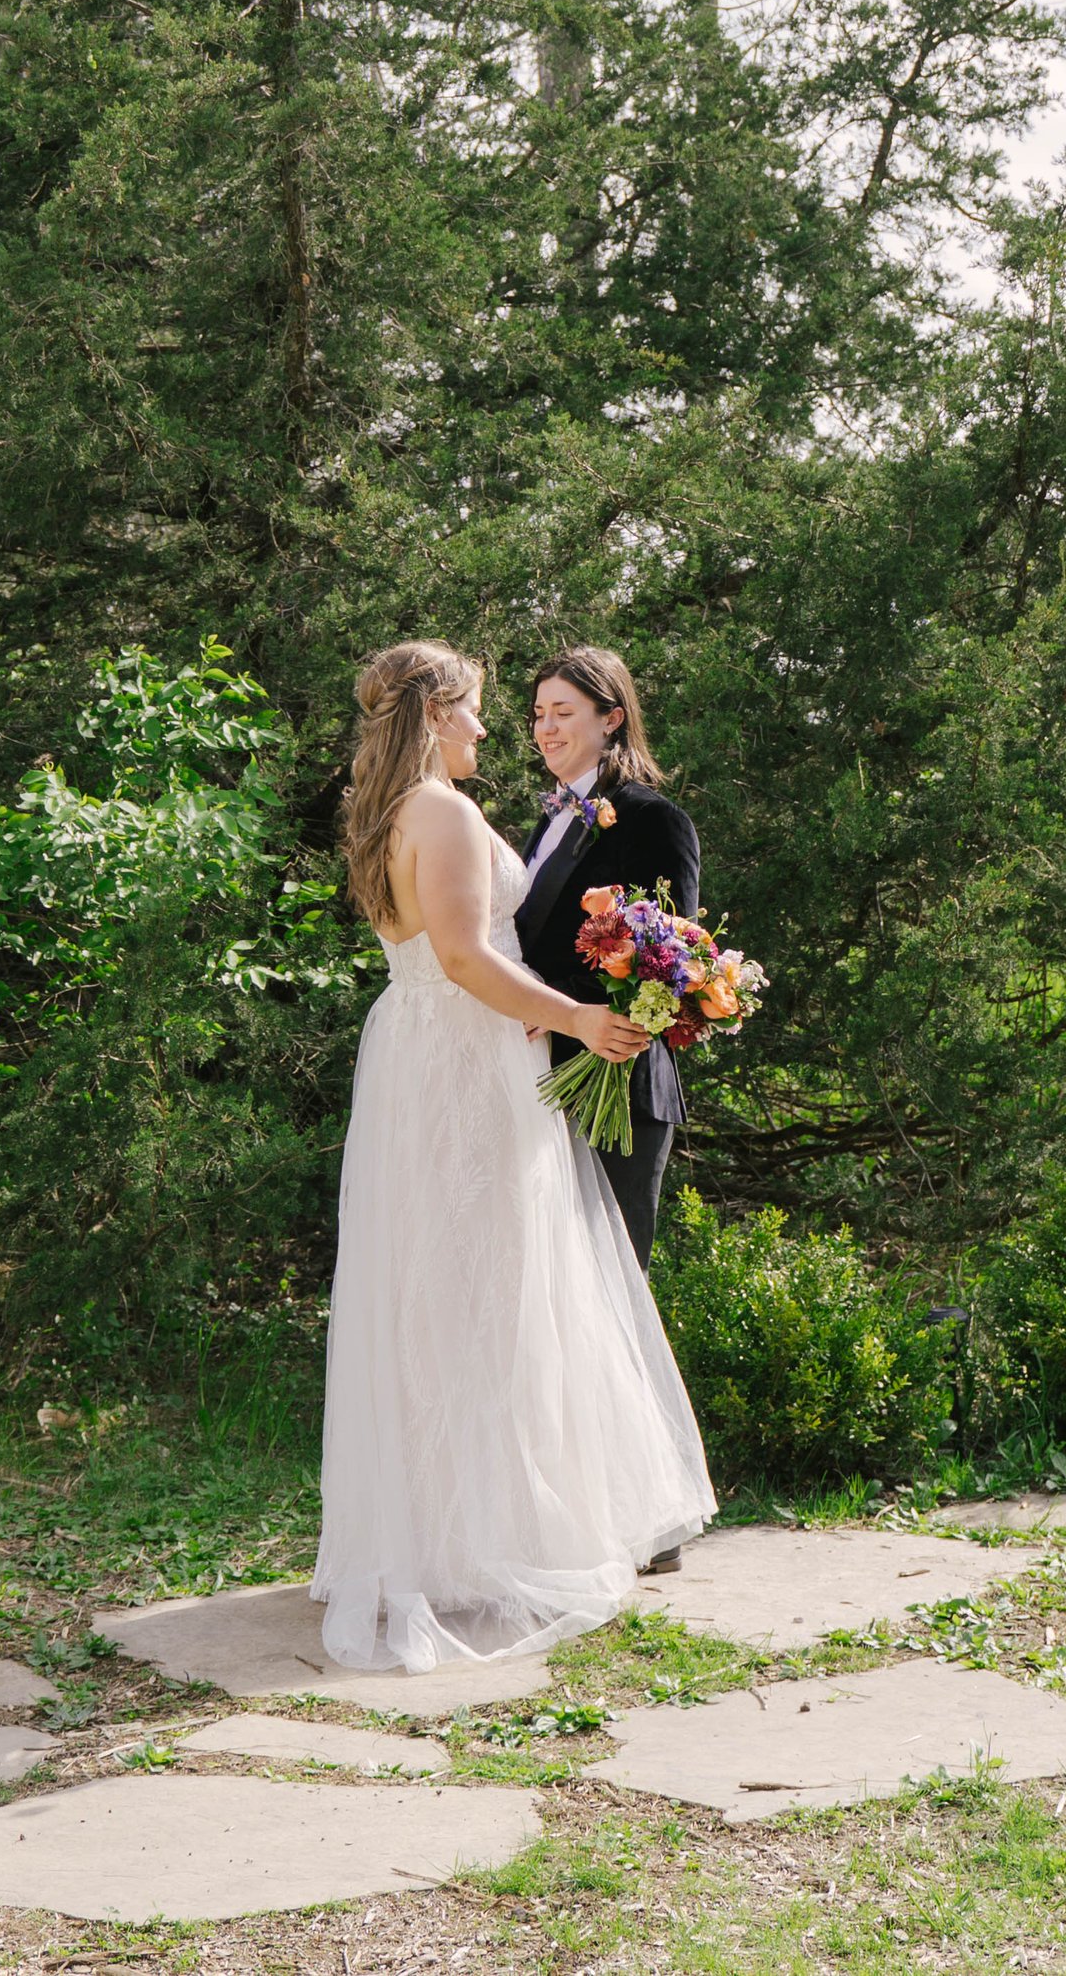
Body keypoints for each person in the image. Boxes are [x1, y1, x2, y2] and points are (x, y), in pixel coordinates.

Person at [312, 638, 713, 1673]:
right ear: (435, 714)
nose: (493, 729)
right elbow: (461, 956)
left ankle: (451, 1533)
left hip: (432, 1057)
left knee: (447, 1297)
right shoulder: (441, 812)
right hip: (463, 1061)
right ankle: (494, 1539)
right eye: (478, 709)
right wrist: (575, 1016)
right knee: (492, 1292)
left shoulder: (392, 811)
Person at [513, 646, 699, 1269]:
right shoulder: (548, 822)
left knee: (609, 1283)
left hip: (616, 1085)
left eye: (563, 712)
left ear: (611, 719)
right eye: (539, 713)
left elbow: (670, 956)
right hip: (537, 1080)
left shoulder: (654, 819)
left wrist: (554, 1003)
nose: (546, 728)